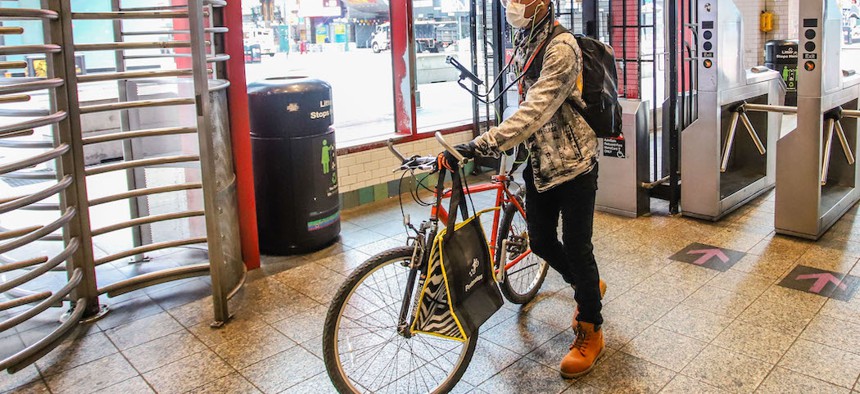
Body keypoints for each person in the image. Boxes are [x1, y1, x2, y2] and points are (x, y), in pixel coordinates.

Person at [438, 0, 607, 379]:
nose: (512, 3)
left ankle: (591, 329)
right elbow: (520, 106)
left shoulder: (562, 48)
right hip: (540, 164)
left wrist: (480, 144)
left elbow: (535, 109)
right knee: (542, 243)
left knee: (578, 246)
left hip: (575, 166)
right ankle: (587, 285)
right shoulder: (527, 38)